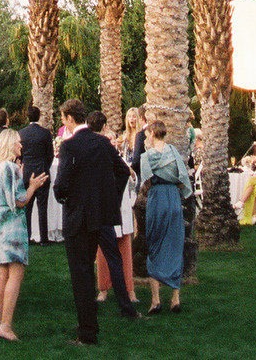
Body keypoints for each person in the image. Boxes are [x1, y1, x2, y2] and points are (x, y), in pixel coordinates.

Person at [54, 99, 138, 346]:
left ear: (70, 118)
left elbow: (61, 184)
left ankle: (87, 331)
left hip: (79, 218)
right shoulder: (102, 142)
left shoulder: (70, 146)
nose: (63, 123)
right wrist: (108, 200)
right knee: (97, 264)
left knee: (81, 272)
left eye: (63, 118)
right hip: (101, 216)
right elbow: (123, 171)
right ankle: (90, 321)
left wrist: (65, 197)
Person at [0, 127, 47, 341]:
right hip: (12, 226)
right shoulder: (10, 168)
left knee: (0, 274)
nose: (21, 145)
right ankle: (6, 324)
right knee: (15, 273)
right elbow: (20, 201)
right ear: (10, 144)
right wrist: (32, 186)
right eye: (18, 142)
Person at [140, 119, 193, 314]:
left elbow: (144, 183)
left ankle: (155, 300)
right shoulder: (173, 153)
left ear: (153, 134)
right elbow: (183, 180)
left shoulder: (147, 157)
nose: (146, 137)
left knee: (154, 244)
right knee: (174, 243)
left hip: (157, 199)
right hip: (172, 199)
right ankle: (175, 299)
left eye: (147, 134)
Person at [88, 112, 137, 309]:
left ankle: (129, 289)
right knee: (102, 251)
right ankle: (103, 288)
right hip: (104, 210)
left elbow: (129, 178)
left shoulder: (120, 161)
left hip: (120, 208)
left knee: (124, 248)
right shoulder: (97, 160)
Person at [19, 105, 55, 245]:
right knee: (42, 207)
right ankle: (44, 238)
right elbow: (50, 155)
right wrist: (45, 168)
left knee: (27, 206)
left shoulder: (22, 133)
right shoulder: (45, 133)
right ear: (39, 116)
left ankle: (27, 237)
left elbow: (20, 155)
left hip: (27, 173)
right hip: (42, 171)